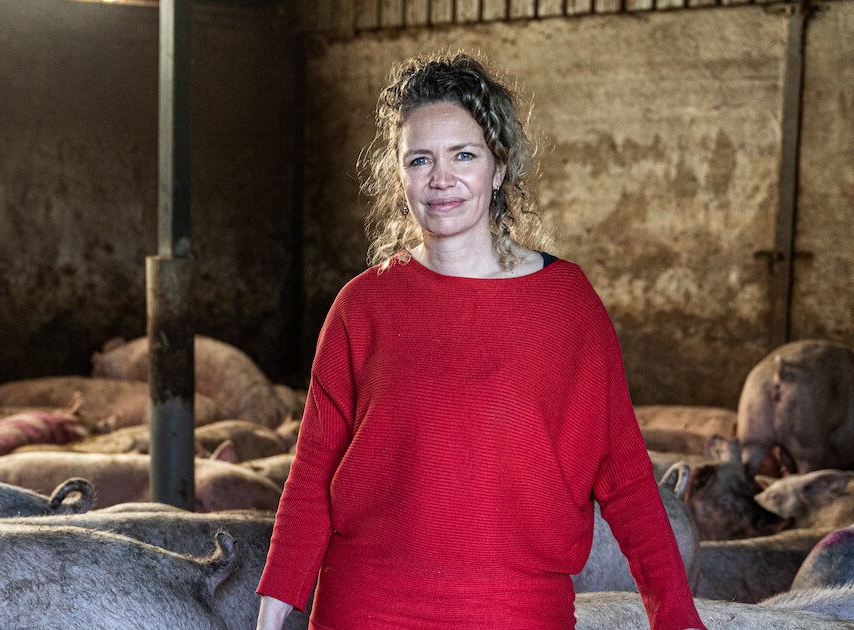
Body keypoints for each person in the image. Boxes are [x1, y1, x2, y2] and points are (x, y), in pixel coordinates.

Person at [254, 51, 705, 629]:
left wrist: (676, 616)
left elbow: (625, 476)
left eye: (463, 155)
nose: (441, 179)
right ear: (399, 175)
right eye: (420, 159)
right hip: (365, 607)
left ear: (499, 168)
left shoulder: (566, 306)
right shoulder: (361, 306)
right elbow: (314, 472)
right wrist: (270, 618)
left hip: (513, 611)